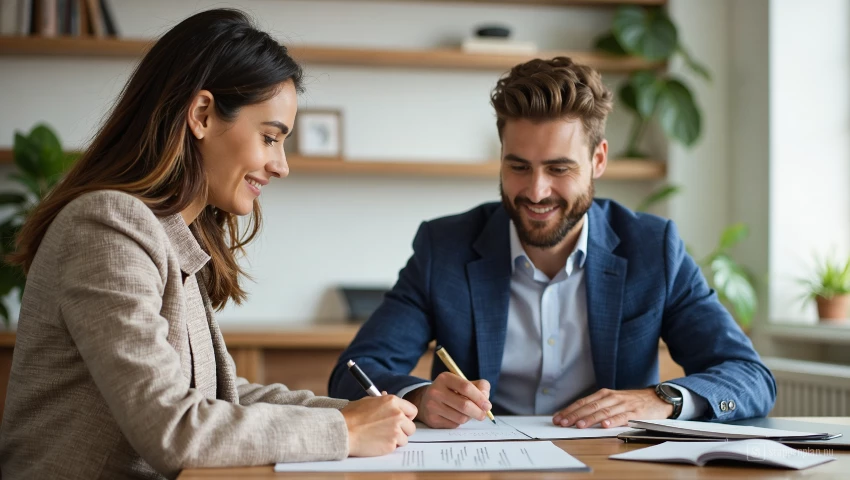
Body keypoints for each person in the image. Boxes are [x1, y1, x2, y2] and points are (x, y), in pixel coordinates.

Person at [0, 9, 416, 480]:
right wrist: (344, 429)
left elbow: (218, 398)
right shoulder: (107, 226)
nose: (281, 165)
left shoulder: (171, 231)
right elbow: (174, 429)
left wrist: (370, 414)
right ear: (201, 115)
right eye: (269, 138)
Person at [329, 56, 776, 429]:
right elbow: (355, 371)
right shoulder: (444, 246)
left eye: (559, 169)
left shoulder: (652, 248)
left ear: (598, 160)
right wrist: (422, 395)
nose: (536, 191)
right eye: (518, 167)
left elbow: (750, 376)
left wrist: (662, 400)